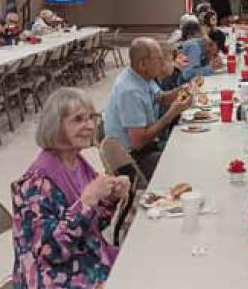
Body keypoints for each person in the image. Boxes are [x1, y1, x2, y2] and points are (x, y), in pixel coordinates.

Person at [11, 88, 130, 288]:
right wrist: (86, 201)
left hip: (87, 260)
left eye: (92, 118)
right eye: (78, 120)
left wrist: (110, 198)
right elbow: (51, 252)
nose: (90, 125)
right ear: (55, 126)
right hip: (56, 279)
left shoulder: (77, 163)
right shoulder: (36, 184)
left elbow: (93, 225)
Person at [104, 37, 192, 181]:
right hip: (132, 160)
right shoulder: (130, 91)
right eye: (158, 59)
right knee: (182, 162)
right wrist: (170, 115)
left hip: (145, 148)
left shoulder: (142, 77)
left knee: (186, 145)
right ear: (143, 64)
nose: (163, 63)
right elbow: (139, 143)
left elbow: (161, 98)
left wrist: (181, 90)